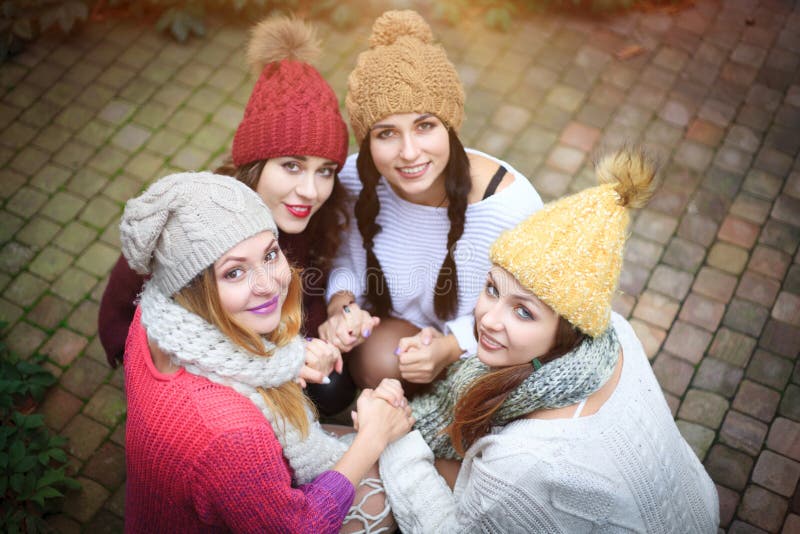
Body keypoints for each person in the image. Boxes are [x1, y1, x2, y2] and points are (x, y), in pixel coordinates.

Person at [372, 150, 720, 532]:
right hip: (693, 507)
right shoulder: (613, 331)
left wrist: (395, 442)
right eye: (492, 288)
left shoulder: (520, 463)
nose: (488, 318)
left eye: (523, 312)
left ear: (566, 329)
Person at [121, 171, 413, 532]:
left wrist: (293, 358)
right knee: (395, 492)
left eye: (270, 254)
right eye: (234, 273)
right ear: (190, 289)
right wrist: (372, 438)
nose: (268, 284)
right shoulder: (229, 432)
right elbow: (298, 528)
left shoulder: (153, 318)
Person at [98, 16, 355, 415]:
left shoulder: (310, 217)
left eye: (325, 170)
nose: (311, 190)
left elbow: (309, 287)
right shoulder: (199, 219)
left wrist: (322, 330)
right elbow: (125, 294)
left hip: (263, 337)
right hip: (199, 362)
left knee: (336, 388)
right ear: (255, 163)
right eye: (292, 165)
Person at [319, 10, 544, 391]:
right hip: (406, 331)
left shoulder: (508, 207)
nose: (409, 153)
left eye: (425, 126)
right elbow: (345, 257)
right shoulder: (357, 179)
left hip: (494, 344)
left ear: (450, 126)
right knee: (373, 361)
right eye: (387, 133)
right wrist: (340, 307)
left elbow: (530, 310)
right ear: (368, 140)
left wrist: (452, 347)